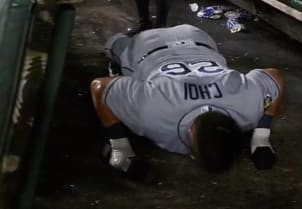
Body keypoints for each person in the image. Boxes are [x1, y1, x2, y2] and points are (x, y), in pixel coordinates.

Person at [90, 24, 285, 176]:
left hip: (195, 35)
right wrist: (119, 147)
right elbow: (99, 87)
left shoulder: (248, 107)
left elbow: (275, 76)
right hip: (146, 46)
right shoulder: (152, 113)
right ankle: (117, 46)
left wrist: (261, 136)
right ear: (190, 132)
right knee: (113, 43)